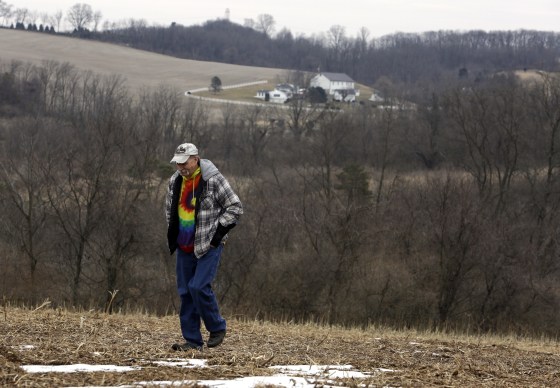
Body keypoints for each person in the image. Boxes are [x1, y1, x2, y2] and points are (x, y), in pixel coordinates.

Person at [165, 143, 243, 351]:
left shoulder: (213, 180)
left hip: (208, 244)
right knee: (185, 292)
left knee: (198, 286)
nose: (181, 167)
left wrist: (217, 235)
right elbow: (169, 209)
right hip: (184, 246)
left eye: (184, 162)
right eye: (177, 163)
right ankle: (192, 341)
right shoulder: (174, 181)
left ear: (195, 159)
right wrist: (174, 233)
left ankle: (217, 327)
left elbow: (235, 207)